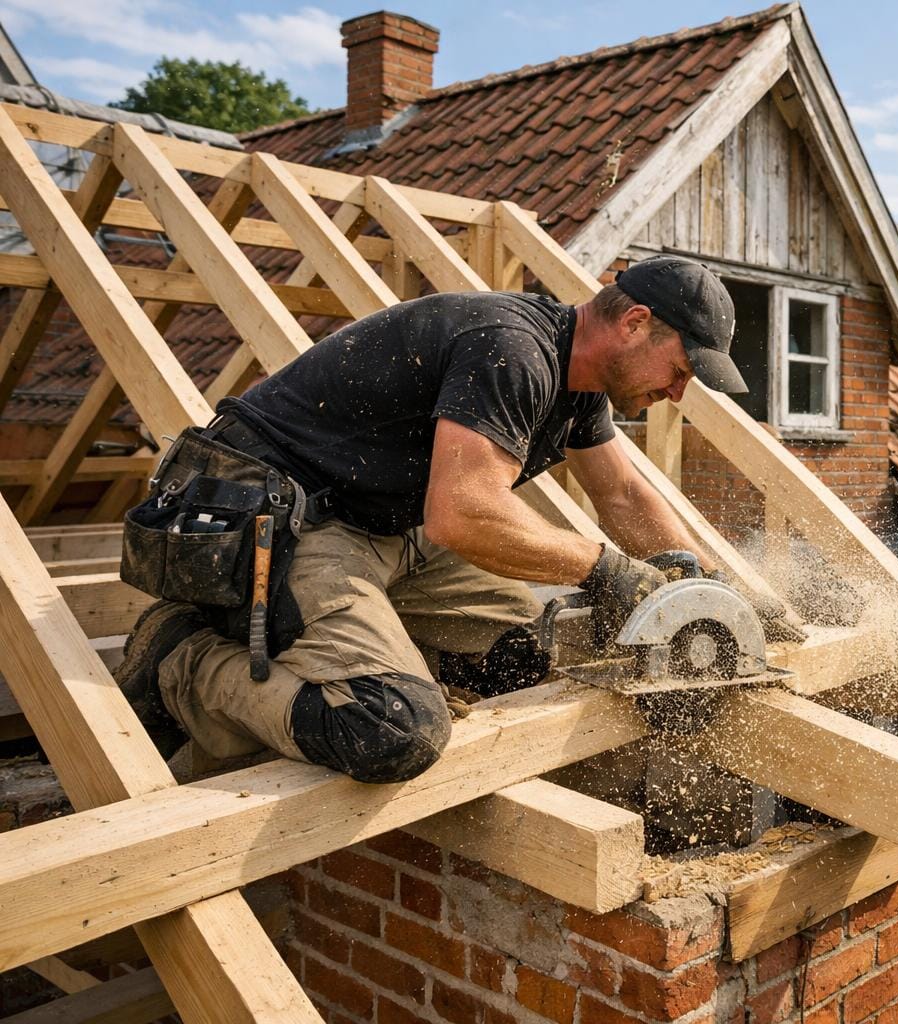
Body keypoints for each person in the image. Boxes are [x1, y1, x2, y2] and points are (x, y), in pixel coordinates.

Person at [116, 254, 796, 783]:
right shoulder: (513, 349)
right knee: (393, 729)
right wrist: (607, 571)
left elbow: (621, 495)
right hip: (280, 519)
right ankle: (182, 658)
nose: (677, 392)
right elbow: (463, 516)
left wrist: (713, 590)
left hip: (380, 523)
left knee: (524, 658)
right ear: (636, 323)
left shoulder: (580, 381)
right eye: (680, 369)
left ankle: (370, 643)